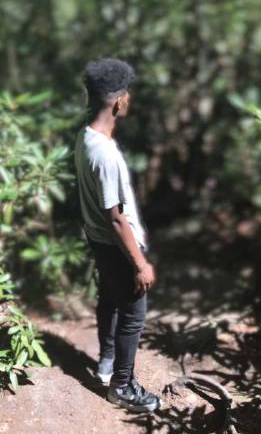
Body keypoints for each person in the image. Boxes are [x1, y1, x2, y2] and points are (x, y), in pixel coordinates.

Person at [73, 58, 162, 413]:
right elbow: (117, 218)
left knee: (109, 297)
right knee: (133, 314)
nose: (130, 100)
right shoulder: (106, 154)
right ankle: (122, 386)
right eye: (128, 95)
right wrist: (140, 264)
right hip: (116, 243)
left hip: (98, 240)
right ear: (119, 101)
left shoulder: (85, 138)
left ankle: (107, 362)